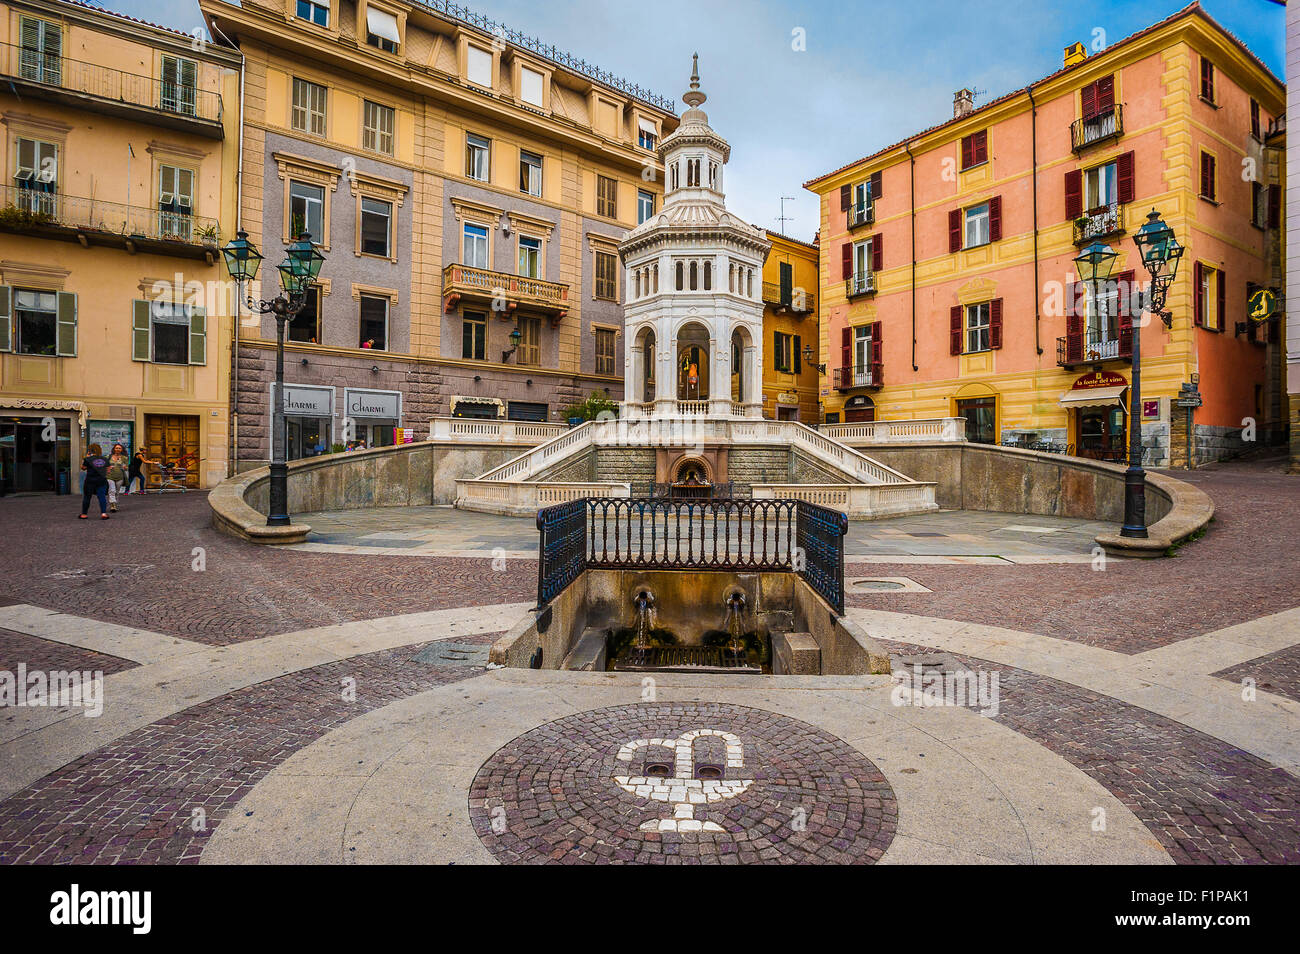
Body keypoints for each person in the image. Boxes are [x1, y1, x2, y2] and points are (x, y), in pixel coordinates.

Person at [80, 443, 110, 519]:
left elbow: (83, 468)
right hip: (101, 480)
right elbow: (108, 471)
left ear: (90, 450)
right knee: (102, 497)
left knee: (87, 497)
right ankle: (103, 513)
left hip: (90, 481)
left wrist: (86, 458)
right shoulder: (104, 459)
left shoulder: (88, 459)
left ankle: (84, 514)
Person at [106, 443, 128, 512]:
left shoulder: (124, 458)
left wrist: (125, 467)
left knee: (117, 491)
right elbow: (104, 465)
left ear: (121, 450)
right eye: (116, 448)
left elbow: (127, 468)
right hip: (110, 476)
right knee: (112, 490)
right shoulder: (108, 457)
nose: (118, 449)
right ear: (114, 449)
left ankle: (115, 503)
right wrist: (108, 468)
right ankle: (112, 505)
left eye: (119, 448)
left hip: (120, 477)